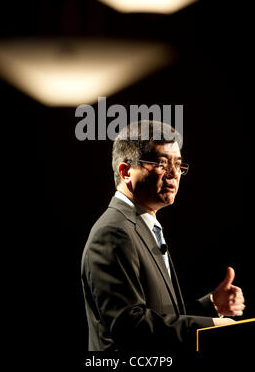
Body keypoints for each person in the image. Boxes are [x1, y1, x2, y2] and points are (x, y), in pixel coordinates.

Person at [81, 120, 245, 351]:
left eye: (178, 165)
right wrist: (209, 326)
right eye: (162, 163)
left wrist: (210, 306)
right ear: (126, 171)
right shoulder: (113, 233)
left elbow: (162, 316)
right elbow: (129, 326)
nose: (174, 174)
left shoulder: (144, 225)